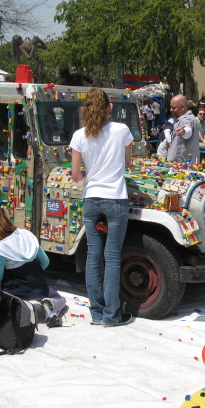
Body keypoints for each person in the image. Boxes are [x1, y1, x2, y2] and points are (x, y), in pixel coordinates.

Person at [70, 88, 134, 327]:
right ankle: (112, 315)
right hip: (115, 197)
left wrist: (90, 172)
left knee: (93, 257)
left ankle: (96, 313)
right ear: (110, 108)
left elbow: (76, 175)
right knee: (112, 257)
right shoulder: (121, 130)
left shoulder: (79, 136)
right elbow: (127, 163)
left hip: (91, 197)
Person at [0, 205, 67, 328]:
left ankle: (18, 307)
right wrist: (33, 273)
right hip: (36, 283)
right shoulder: (26, 234)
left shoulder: (0, 247)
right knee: (58, 297)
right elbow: (45, 261)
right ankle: (51, 305)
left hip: (14, 289)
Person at [166, 95, 200, 164]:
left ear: (182, 107)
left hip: (183, 165)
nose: (171, 110)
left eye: (173, 107)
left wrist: (184, 131)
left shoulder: (187, 119)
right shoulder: (182, 119)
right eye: (170, 107)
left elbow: (188, 130)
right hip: (179, 163)